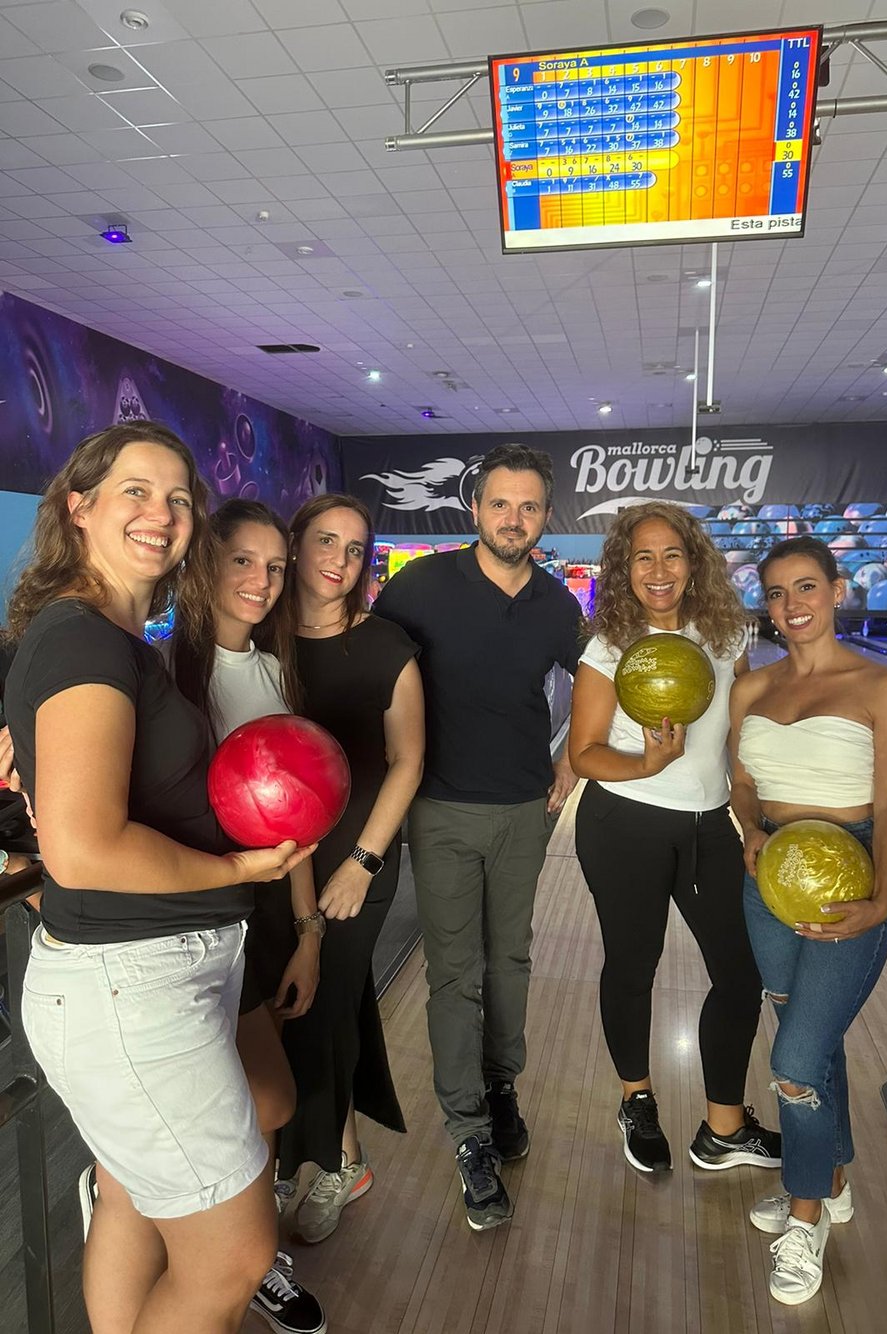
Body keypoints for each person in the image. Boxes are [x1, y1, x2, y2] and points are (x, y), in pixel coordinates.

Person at [2, 422, 313, 1334]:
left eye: (179, 497)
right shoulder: (82, 640)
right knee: (235, 1256)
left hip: (162, 968)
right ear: (79, 508)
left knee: (141, 1187)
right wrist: (235, 866)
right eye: (135, 491)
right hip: (128, 982)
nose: (162, 513)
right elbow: (85, 848)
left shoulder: (109, 638)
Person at [375, 443, 582, 1232]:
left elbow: (599, 687)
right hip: (440, 809)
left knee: (513, 960)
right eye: (501, 504)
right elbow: (367, 675)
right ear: (475, 509)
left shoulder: (557, 605)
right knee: (455, 973)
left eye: (530, 507)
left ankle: (502, 1086)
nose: (514, 519)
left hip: (525, 810)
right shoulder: (420, 586)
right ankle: (468, 1133)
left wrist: (570, 764)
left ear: (545, 516)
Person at [568, 501, 780, 1177]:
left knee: (741, 975)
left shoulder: (727, 638)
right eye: (642, 557)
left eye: (672, 555)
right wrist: (645, 764)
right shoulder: (608, 646)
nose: (658, 571)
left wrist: (752, 822)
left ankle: (723, 1128)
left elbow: (740, 744)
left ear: (694, 562)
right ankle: (636, 1097)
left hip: (707, 826)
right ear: (624, 569)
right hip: (622, 823)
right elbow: (582, 755)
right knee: (634, 967)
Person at [730, 535, 887, 1306]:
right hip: (772, 879)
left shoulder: (882, 685)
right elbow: (740, 781)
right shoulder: (751, 689)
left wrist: (882, 896)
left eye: (806, 587)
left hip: (852, 873)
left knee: (796, 1067)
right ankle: (829, 1175)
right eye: (776, 593)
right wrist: (750, 833)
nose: (791, 605)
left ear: (836, 590)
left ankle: (805, 1219)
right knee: (806, 1040)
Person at [168, 497, 326, 1334]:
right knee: (252, 1106)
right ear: (206, 565)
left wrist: (307, 932)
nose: (262, 582)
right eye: (242, 562)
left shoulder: (270, 672)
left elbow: (292, 823)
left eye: (274, 566)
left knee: (264, 1105)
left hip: (259, 915)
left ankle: (250, 1257)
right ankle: (220, 1255)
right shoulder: (166, 678)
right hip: (183, 923)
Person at [274, 493, 424, 1246]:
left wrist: (364, 862)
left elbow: (408, 760)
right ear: (295, 546)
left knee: (322, 1005)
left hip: (357, 855)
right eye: (325, 541)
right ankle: (343, 1156)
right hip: (273, 860)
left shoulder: (385, 644)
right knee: (298, 1003)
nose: (338, 559)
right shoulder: (259, 643)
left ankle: (322, 1164)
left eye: (356, 548)